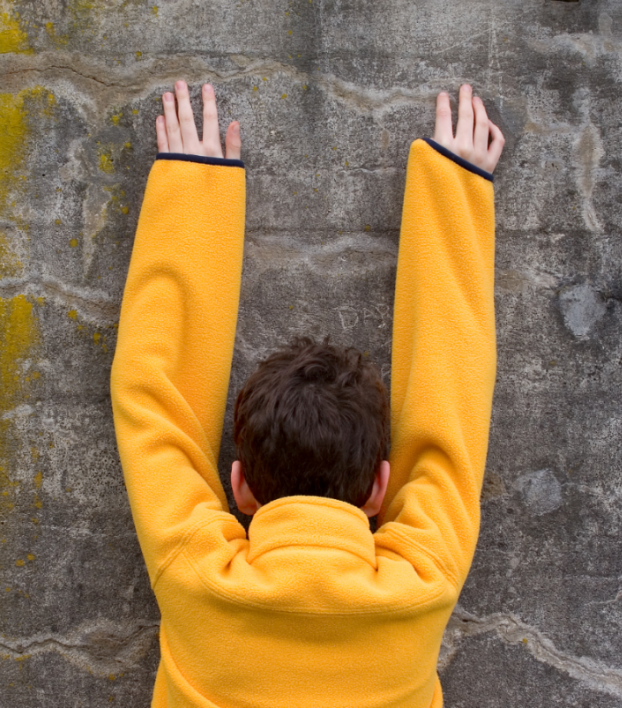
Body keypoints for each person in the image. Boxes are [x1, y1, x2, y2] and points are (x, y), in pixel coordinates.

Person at [111, 80, 504, 708]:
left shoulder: (197, 576)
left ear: (239, 486)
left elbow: (154, 405)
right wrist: (455, 187)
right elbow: (451, 404)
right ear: (379, 486)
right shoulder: (422, 586)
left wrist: (193, 197)